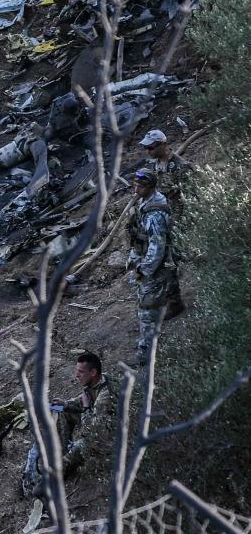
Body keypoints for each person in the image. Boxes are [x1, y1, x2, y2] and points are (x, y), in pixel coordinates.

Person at [22, 352, 116, 499]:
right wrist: (66, 404)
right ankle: (60, 458)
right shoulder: (95, 382)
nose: (76, 375)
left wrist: (85, 408)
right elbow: (84, 400)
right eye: (76, 370)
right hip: (99, 422)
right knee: (64, 412)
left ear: (93, 372)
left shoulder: (105, 395)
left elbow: (92, 430)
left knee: (82, 444)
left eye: (80, 372)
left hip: (111, 434)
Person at [126, 169, 183, 364]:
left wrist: (144, 269)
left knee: (147, 309)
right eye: (135, 185)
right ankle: (176, 302)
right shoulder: (149, 200)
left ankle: (146, 353)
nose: (136, 188)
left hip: (155, 264)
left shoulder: (154, 213)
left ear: (150, 187)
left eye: (140, 186)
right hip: (161, 260)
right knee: (169, 282)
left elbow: (157, 245)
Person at [140, 129, 191, 217]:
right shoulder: (155, 165)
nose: (147, 151)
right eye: (145, 148)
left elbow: (189, 196)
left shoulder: (181, 166)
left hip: (178, 215)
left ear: (163, 145)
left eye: (151, 148)